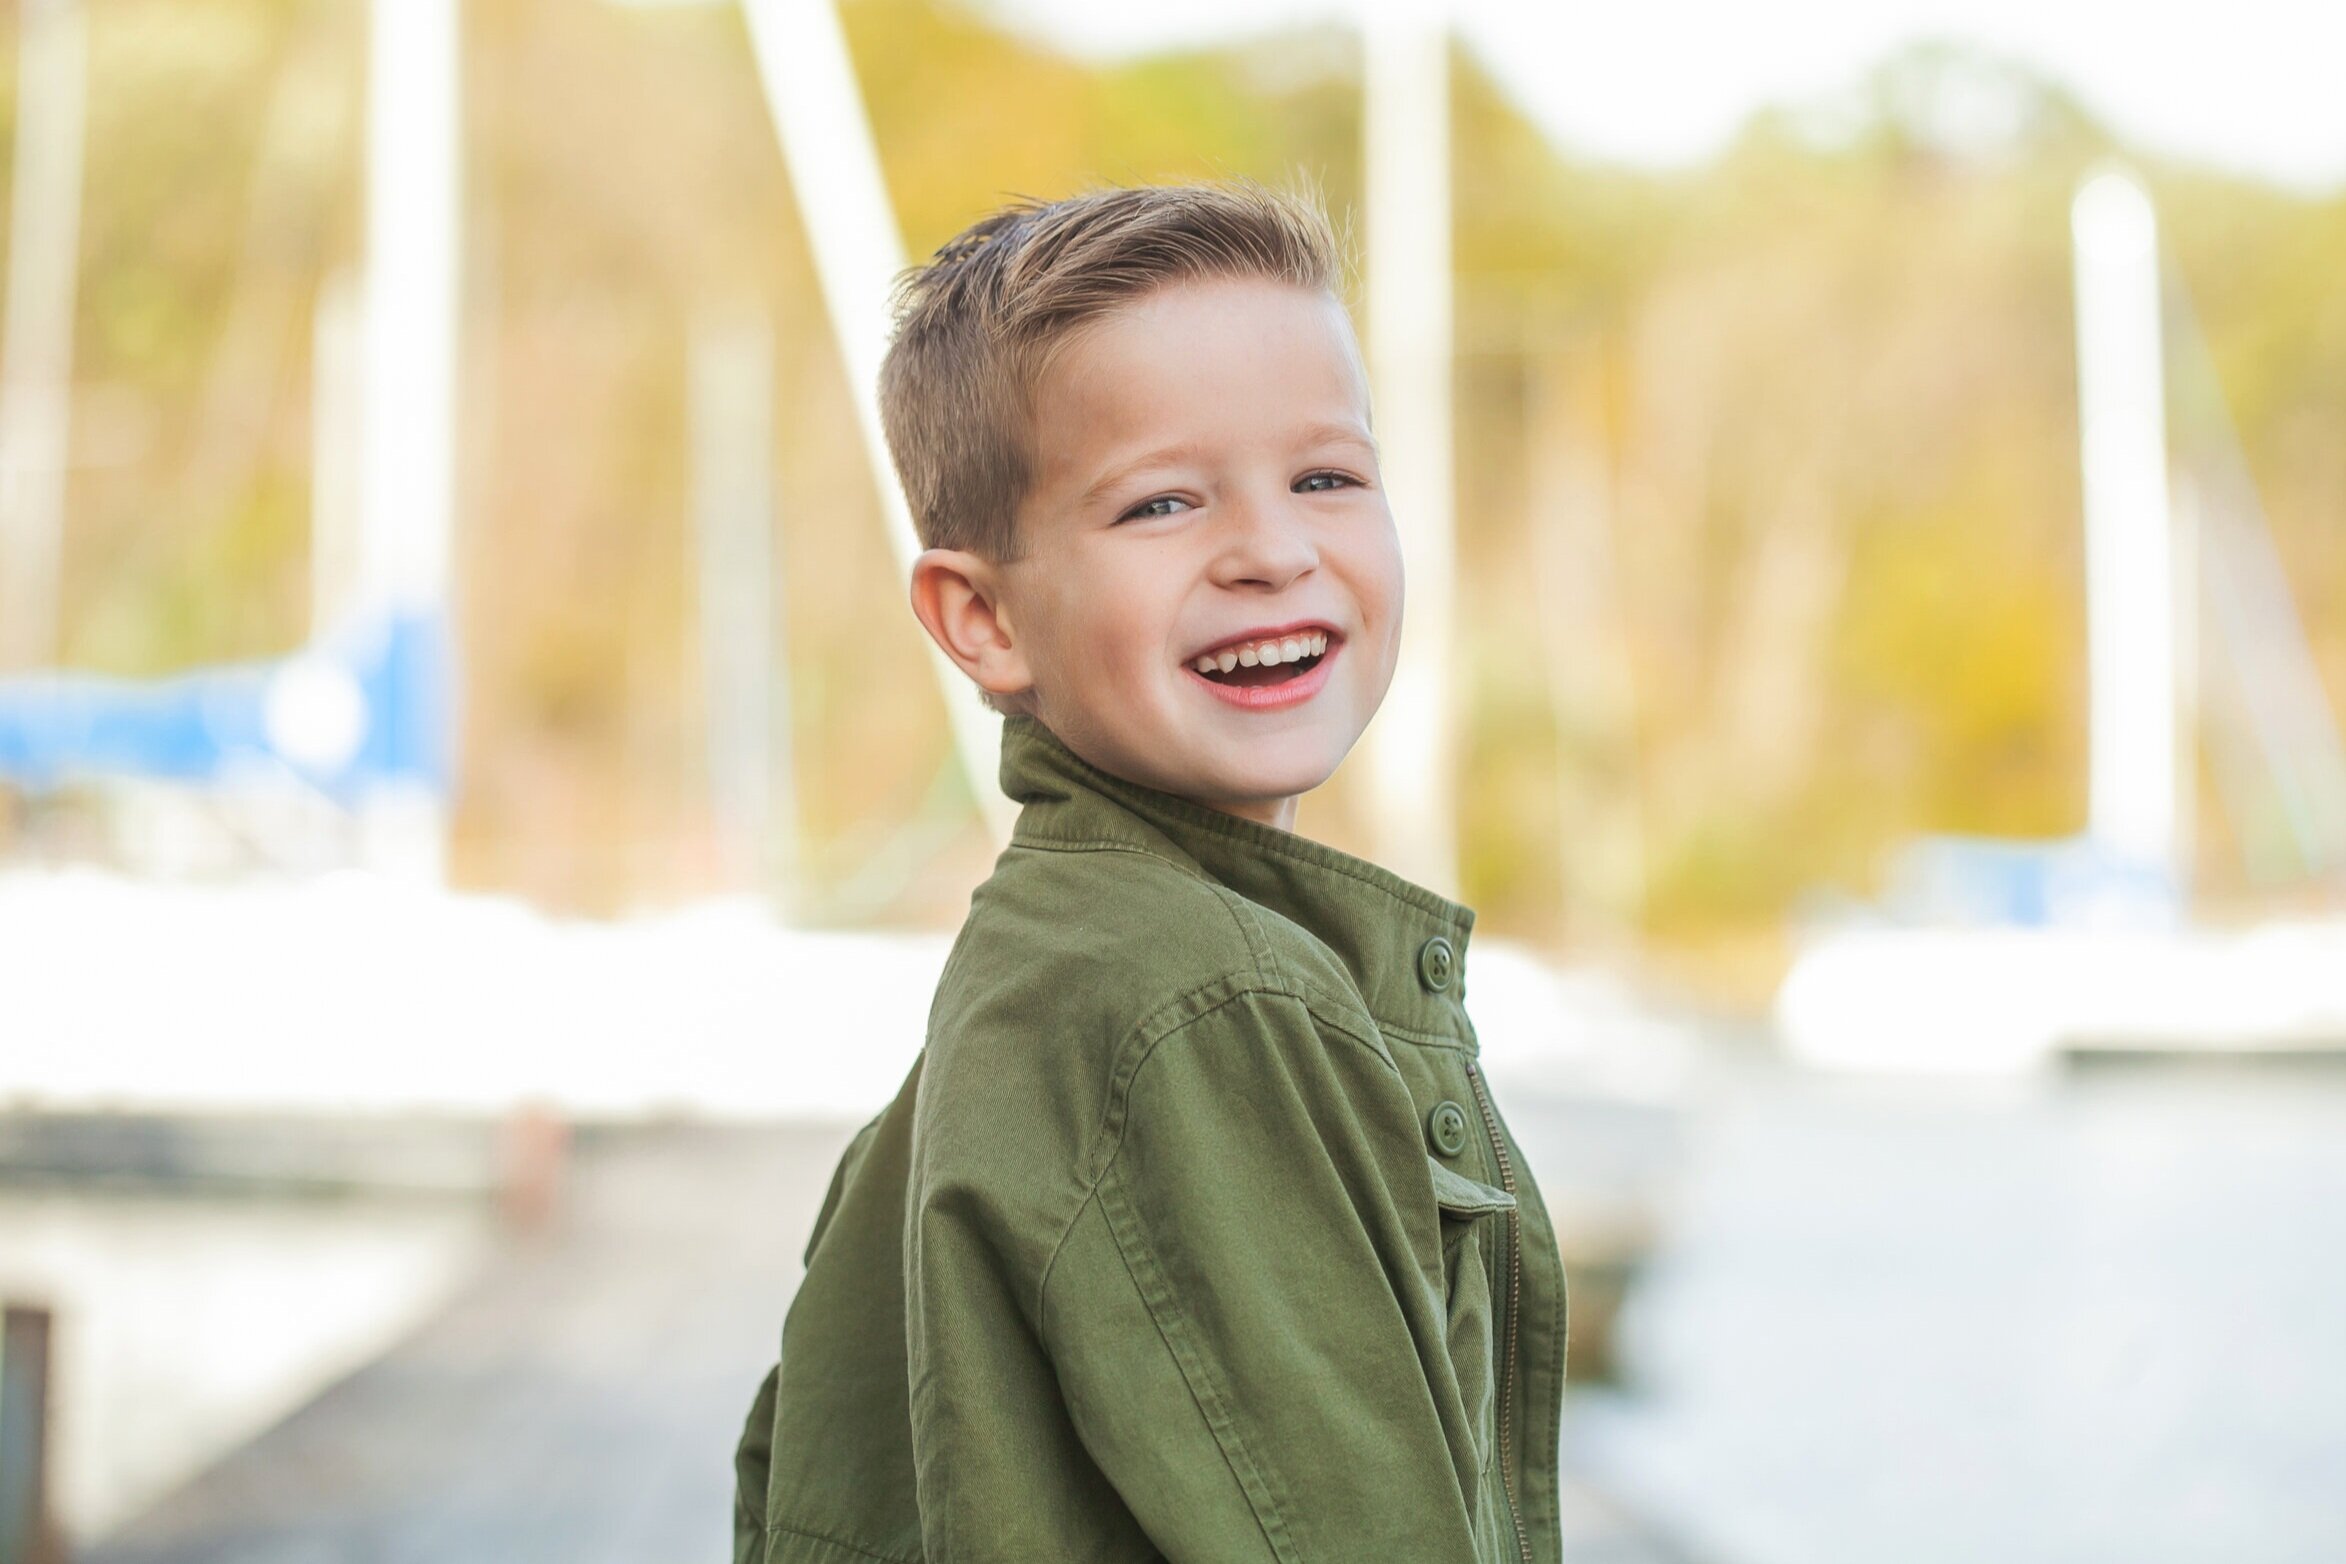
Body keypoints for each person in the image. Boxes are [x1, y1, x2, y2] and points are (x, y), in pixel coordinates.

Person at [732, 179, 1566, 1563]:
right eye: (1161, 502)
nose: (1272, 550)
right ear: (983, 618)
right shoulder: (1198, 1004)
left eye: (1326, 478)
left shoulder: (1053, 965)